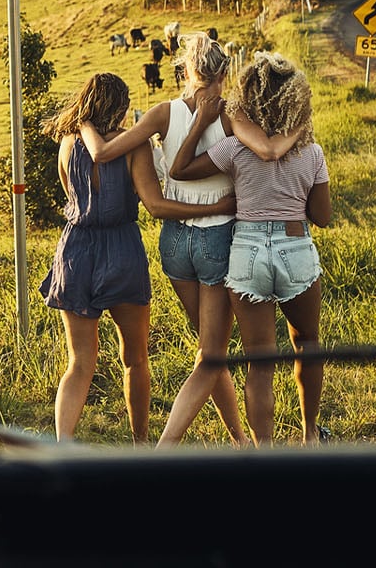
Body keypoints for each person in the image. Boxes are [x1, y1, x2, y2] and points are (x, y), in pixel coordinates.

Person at [77, 34, 303, 445]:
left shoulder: (162, 114)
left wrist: (85, 122)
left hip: (175, 243)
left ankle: (240, 440)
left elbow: (102, 153)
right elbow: (268, 151)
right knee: (210, 356)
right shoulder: (232, 114)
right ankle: (164, 450)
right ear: (223, 73)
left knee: (209, 352)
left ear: (186, 71)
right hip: (218, 240)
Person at [42, 72, 238, 442]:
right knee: (135, 358)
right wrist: (213, 208)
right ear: (118, 106)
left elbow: (71, 195)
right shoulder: (133, 146)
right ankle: (140, 444)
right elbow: (155, 205)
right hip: (121, 252)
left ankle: (63, 444)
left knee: (80, 362)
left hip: (75, 251)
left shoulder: (68, 144)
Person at [170, 53, 331, 444]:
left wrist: (199, 126)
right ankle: (310, 435)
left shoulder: (234, 150)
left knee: (260, 362)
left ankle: (264, 454)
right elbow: (322, 217)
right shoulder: (311, 153)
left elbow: (179, 169)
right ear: (296, 102)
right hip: (295, 247)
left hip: (246, 252)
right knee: (306, 343)